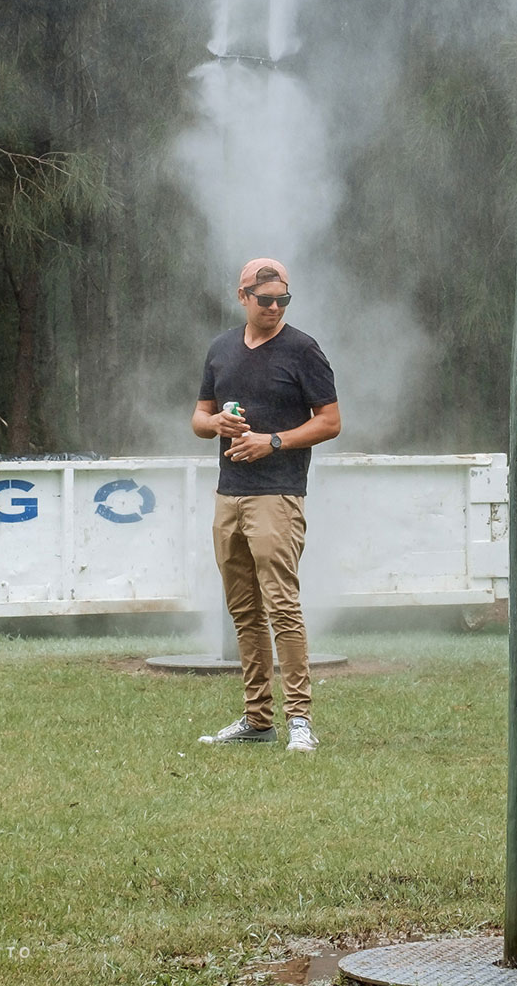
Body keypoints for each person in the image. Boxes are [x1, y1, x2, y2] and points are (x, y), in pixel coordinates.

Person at [191, 258, 341, 753]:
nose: (274, 308)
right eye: (265, 300)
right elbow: (199, 416)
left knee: (282, 607)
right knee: (243, 610)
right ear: (243, 297)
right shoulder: (220, 350)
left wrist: (271, 442)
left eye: (283, 300)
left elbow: (330, 422)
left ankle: (300, 719)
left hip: (277, 494)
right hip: (228, 494)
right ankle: (258, 718)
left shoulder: (303, 350)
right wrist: (218, 427)